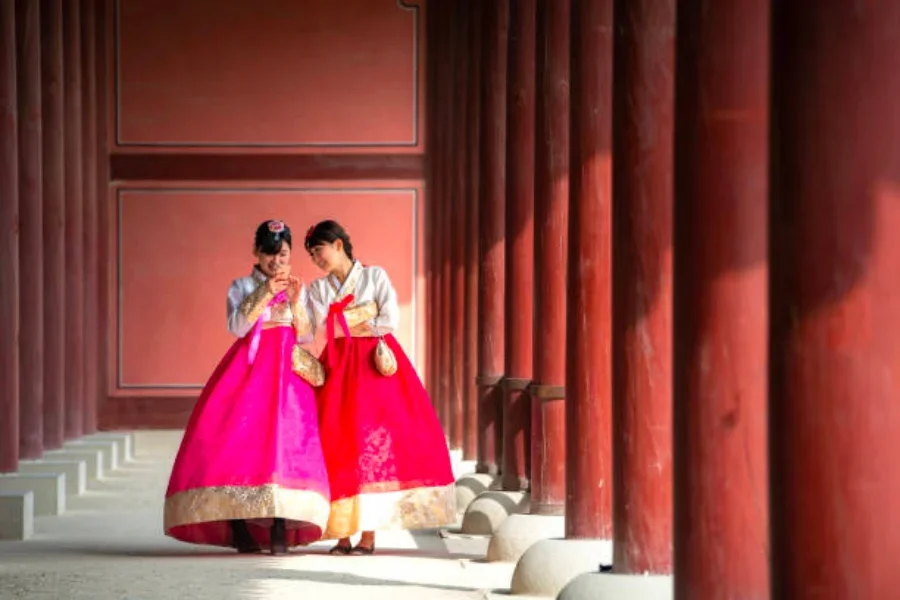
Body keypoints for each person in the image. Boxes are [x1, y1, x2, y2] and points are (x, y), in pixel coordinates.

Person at [163, 219, 331, 555]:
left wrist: (297, 301)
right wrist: (266, 291)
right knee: (240, 442)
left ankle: (281, 523)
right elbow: (237, 326)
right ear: (256, 252)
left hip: (287, 372)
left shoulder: (301, 287)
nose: (276, 261)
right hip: (249, 369)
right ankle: (239, 524)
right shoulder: (241, 285)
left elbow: (308, 335)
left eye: (282, 254)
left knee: (286, 444)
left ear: (290, 255)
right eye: (269, 254)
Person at [302, 219, 456, 555]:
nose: (317, 259)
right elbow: (309, 327)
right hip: (338, 367)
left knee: (370, 447)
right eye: (312, 255)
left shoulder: (375, 277)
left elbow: (389, 320)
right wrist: (359, 314)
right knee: (337, 442)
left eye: (319, 250)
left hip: (372, 368)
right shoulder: (317, 289)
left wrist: (342, 319)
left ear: (339, 244)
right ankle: (341, 534)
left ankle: (368, 536)